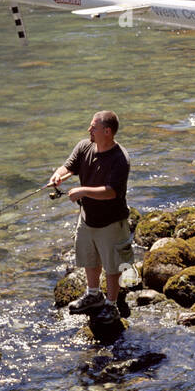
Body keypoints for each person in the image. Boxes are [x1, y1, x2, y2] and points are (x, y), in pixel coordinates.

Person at [48, 110, 134, 321]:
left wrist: (83, 191)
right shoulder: (84, 146)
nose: (89, 130)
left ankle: (112, 305)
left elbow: (111, 191)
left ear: (107, 131)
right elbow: (69, 166)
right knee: (90, 258)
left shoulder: (120, 158)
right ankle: (93, 294)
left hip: (112, 222)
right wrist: (58, 175)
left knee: (113, 267)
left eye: (93, 127)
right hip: (87, 218)